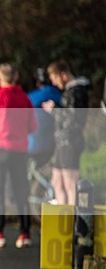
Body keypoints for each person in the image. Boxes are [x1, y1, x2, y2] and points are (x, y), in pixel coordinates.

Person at [0, 63, 37, 249]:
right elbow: (32, 126)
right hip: (19, 151)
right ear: (16, 77)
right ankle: (24, 233)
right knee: (21, 192)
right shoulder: (24, 98)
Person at [42, 60, 91, 204]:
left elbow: (73, 119)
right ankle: (63, 219)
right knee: (57, 182)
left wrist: (54, 109)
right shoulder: (70, 92)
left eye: (55, 79)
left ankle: (73, 222)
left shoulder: (77, 92)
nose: (55, 84)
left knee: (70, 183)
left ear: (63, 75)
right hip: (62, 142)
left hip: (70, 142)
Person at [27, 67, 62, 169]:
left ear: (38, 84)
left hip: (33, 145)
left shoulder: (30, 97)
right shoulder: (61, 95)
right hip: (54, 144)